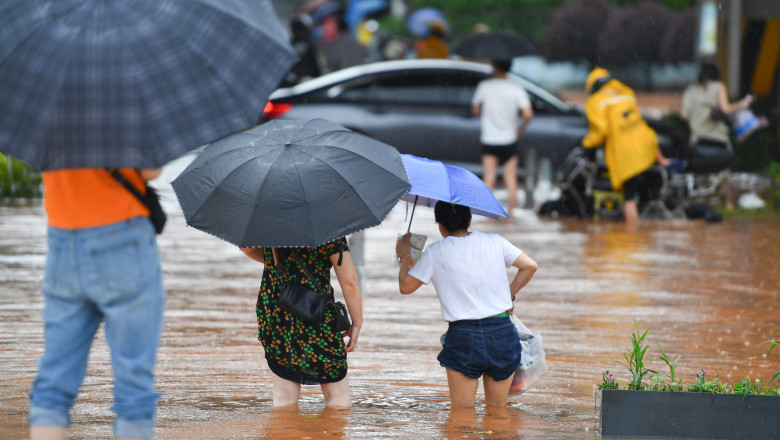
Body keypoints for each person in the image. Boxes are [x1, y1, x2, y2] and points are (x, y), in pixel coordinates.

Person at [29, 168, 165, 440]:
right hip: (122, 234)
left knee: (53, 382)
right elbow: (151, 170)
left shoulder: (49, 124)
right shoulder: (125, 121)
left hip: (62, 236)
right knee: (133, 383)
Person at [395, 202, 538, 408]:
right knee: (497, 413)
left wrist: (404, 255)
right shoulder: (495, 241)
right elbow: (530, 266)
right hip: (502, 333)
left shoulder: (435, 252)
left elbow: (406, 286)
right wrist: (508, 296)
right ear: (469, 220)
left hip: (463, 336)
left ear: (440, 226)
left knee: (462, 416)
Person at [240, 239, 363, 408]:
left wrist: (277, 257)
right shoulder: (329, 229)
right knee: (337, 396)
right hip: (316, 316)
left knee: (284, 397)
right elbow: (350, 280)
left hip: (277, 315)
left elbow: (247, 247)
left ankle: (286, 432)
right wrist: (357, 322)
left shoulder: (269, 224)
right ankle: (331, 432)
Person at [581, 67, 669, 232]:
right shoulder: (626, 91)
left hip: (627, 153)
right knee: (643, 192)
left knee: (629, 198)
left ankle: (631, 237)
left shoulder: (595, 101)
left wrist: (586, 145)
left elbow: (600, 131)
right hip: (647, 145)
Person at [680, 63, 752, 211]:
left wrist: (698, 115)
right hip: (717, 139)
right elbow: (725, 108)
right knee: (722, 170)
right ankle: (728, 204)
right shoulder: (718, 86)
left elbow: (683, 114)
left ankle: (700, 201)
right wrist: (742, 104)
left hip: (697, 139)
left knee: (700, 171)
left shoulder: (690, 91)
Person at [472, 59, 534, 217]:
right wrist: (520, 128)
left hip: (489, 139)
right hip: (509, 139)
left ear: (495, 68)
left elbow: (476, 110)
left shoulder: (484, 87)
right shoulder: (516, 88)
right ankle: (511, 214)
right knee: (510, 176)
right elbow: (528, 114)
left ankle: (486, 213)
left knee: (489, 176)